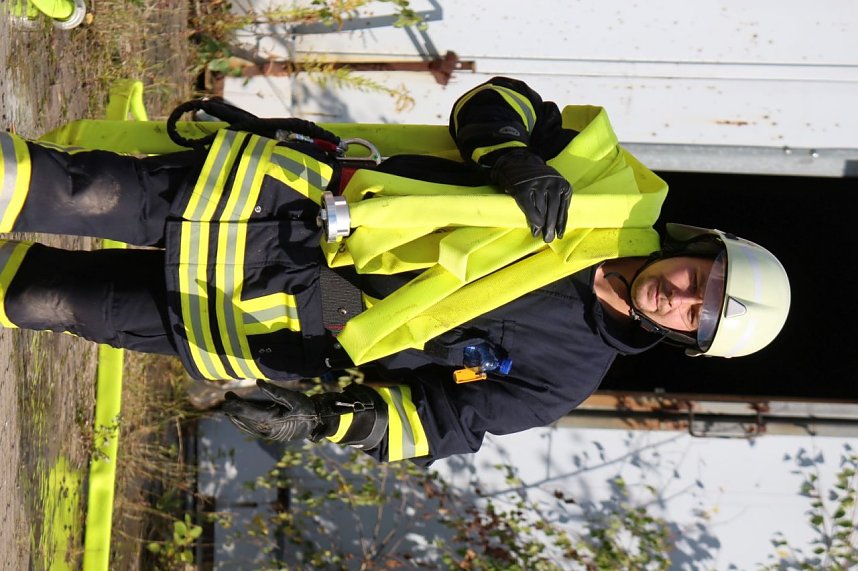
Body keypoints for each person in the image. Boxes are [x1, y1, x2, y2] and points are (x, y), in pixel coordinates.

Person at [0, 77, 791, 464]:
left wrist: (321, 421)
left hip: (278, 324)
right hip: (280, 210)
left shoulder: (567, 376)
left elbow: (440, 421)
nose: (683, 296)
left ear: (686, 338)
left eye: (699, 315)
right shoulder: (604, 185)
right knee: (72, 190)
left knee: (45, 299)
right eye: (701, 280)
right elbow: (500, 99)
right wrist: (508, 153)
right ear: (699, 245)